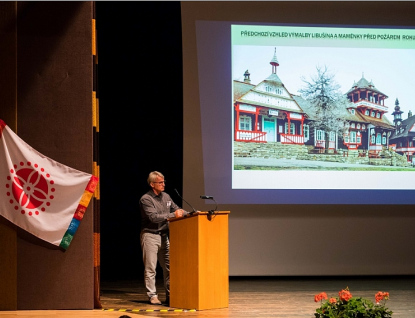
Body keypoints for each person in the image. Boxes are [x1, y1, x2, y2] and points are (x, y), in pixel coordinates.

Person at [139, 171, 189, 306]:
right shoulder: (146, 199)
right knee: (151, 268)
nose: (163, 184)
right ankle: (152, 295)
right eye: (160, 182)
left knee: (169, 267)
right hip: (150, 235)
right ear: (152, 184)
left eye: (163, 182)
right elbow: (153, 218)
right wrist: (173, 215)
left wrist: (191, 214)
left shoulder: (166, 196)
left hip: (164, 236)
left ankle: (170, 294)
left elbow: (177, 209)